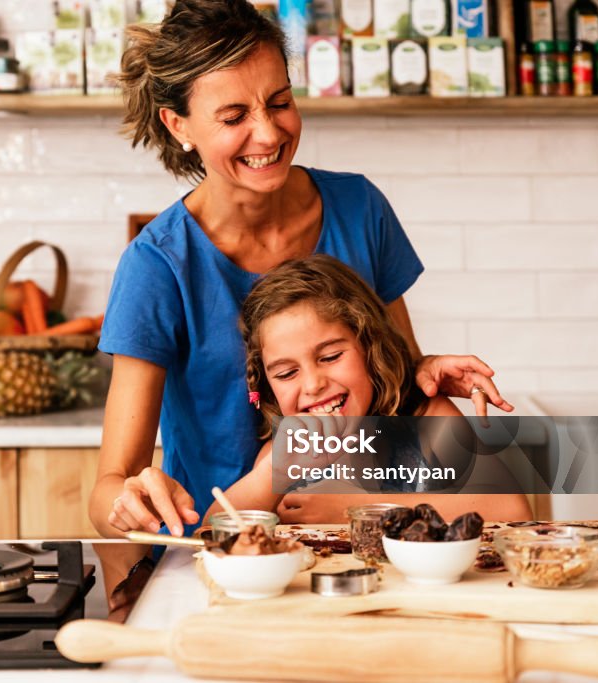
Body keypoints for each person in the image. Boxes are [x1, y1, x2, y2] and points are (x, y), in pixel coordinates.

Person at [90, 0, 513, 541]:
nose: (267, 135)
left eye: (279, 102)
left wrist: (422, 367)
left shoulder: (360, 208)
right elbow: (109, 487)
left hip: (363, 547)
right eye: (234, 117)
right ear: (179, 125)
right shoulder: (158, 265)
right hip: (216, 551)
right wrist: (128, 502)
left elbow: (393, 397)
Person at [207, 254, 532, 522]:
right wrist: (268, 477)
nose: (313, 384)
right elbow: (211, 533)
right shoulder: (291, 448)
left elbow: (510, 510)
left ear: (370, 348)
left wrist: (355, 511)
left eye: (331, 356)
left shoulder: (425, 418)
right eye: (287, 373)